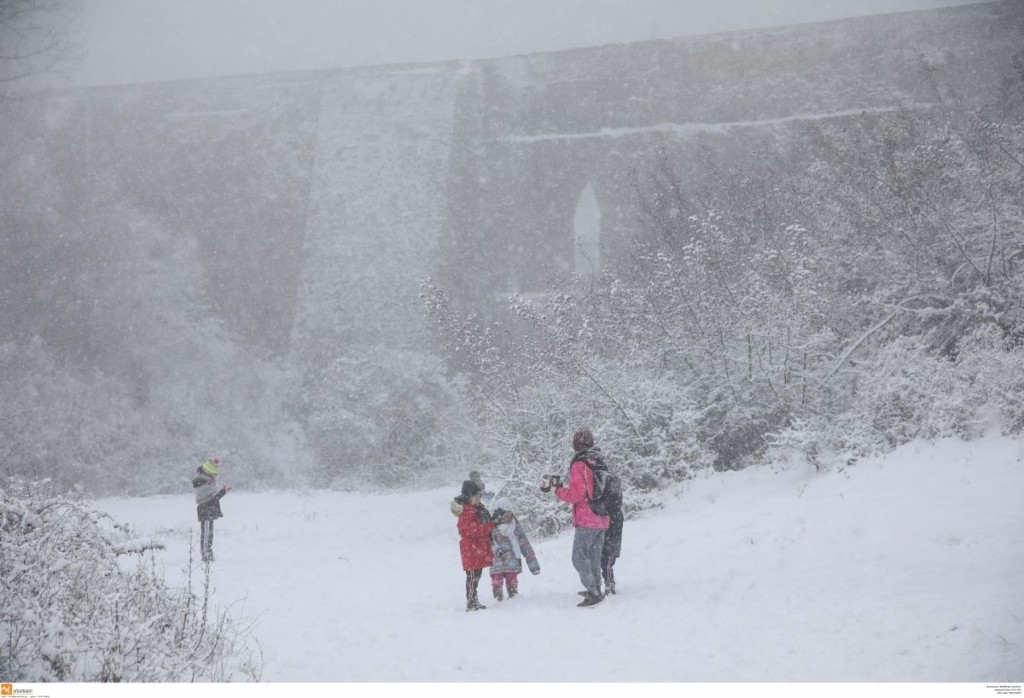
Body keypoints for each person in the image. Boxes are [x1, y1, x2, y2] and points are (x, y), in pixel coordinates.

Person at [540, 426, 610, 608]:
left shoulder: (579, 464)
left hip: (587, 518)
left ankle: (593, 591)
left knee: (579, 557)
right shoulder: (598, 461)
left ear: (575, 444)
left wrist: (557, 490)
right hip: (602, 517)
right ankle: (596, 588)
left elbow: (577, 495)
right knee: (593, 556)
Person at [453, 479, 496, 611]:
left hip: (478, 549)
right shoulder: (466, 512)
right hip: (471, 550)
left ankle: (474, 599)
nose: (478, 499)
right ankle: (471, 601)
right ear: (468, 497)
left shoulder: (478, 510)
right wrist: (489, 526)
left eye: (479, 496)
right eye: (475, 496)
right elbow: (467, 530)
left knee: (476, 577)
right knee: (472, 578)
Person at [488, 497, 540, 601]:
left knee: (512, 579)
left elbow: (525, 544)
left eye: (509, 511)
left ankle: (513, 596)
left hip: (512, 560)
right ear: (498, 513)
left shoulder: (515, 526)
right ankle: (497, 598)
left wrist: (533, 564)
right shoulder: (492, 527)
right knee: (496, 580)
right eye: (504, 512)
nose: (507, 514)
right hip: (497, 560)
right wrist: (496, 550)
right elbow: (489, 542)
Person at [192, 457, 232, 563]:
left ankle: (208, 552)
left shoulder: (207, 481)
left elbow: (212, 497)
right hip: (206, 508)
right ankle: (206, 554)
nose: (215, 476)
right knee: (206, 533)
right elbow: (212, 498)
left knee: (209, 533)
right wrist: (224, 491)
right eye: (214, 473)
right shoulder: (201, 482)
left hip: (209, 509)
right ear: (209, 472)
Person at [601, 486, 624, 595]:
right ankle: (608, 582)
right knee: (605, 564)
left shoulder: (614, 513)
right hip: (608, 543)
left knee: (607, 565)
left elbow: (614, 530)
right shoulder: (614, 512)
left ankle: (610, 583)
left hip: (611, 543)